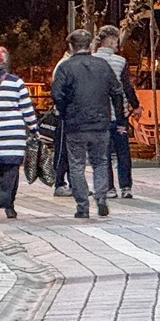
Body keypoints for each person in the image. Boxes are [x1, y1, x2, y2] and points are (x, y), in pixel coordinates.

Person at [52, 29, 124, 219]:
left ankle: (82, 205)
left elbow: (57, 94)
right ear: (90, 44)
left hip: (75, 123)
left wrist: (65, 110)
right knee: (100, 161)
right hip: (101, 122)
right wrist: (118, 117)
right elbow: (117, 91)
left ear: (70, 46)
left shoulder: (65, 67)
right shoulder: (102, 65)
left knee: (76, 164)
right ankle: (101, 197)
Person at [0, 47, 39, 219]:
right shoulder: (16, 82)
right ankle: (9, 205)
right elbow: (27, 109)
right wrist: (33, 128)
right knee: (11, 172)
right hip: (13, 137)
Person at [94, 25, 141, 199]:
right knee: (122, 152)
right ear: (112, 40)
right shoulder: (120, 61)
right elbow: (126, 87)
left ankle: (109, 188)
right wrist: (136, 106)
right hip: (119, 115)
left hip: (98, 115)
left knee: (103, 152)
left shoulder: (91, 60)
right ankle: (126, 187)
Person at [49, 49, 73, 197]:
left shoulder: (68, 64)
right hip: (65, 115)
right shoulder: (64, 65)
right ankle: (59, 183)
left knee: (71, 150)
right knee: (62, 150)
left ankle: (71, 183)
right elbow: (58, 92)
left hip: (69, 114)